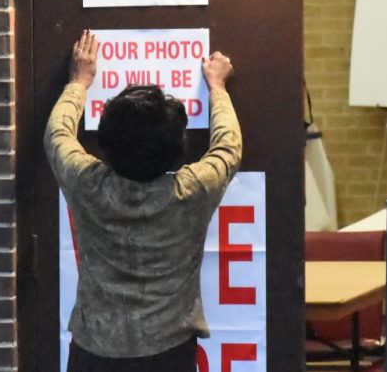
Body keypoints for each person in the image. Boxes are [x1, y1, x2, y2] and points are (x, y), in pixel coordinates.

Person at [44, 30, 241, 371]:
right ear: (175, 150)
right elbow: (228, 148)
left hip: (94, 352)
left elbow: (58, 134)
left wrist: (79, 82)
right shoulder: (192, 190)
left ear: (106, 143)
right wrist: (218, 89)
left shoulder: (87, 183)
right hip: (169, 353)